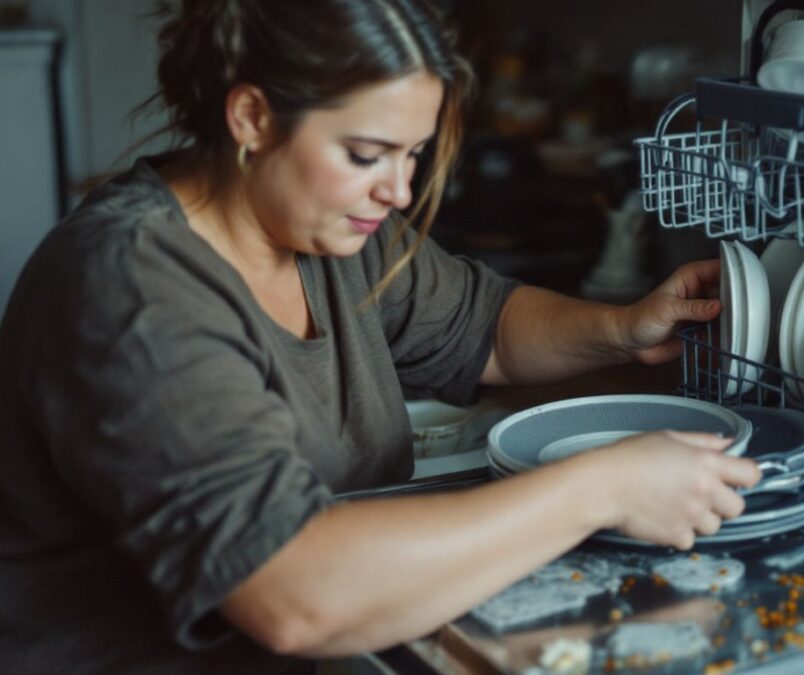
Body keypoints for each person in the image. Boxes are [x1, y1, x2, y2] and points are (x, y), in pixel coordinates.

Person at [0, 0, 760, 672]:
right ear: (252, 117)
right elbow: (290, 592)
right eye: (366, 155)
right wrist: (603, 486)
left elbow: (484, 326)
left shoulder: (335, 234)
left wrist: (625, 327)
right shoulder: (131, 287)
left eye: (413, 155)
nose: (397, 191)